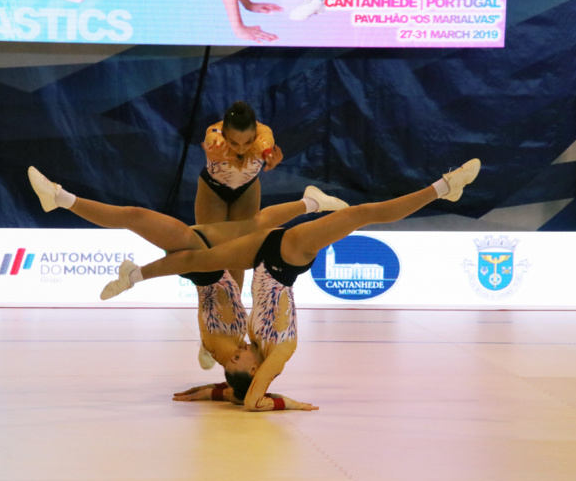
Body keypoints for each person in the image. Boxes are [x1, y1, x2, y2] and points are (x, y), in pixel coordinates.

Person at [100, 159, 482, 412]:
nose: (236, 352)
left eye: (230, 357)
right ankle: (443, 187)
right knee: (361, 215)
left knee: (199, 257)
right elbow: (252, 402)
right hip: (286, 260)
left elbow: (237, 394)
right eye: (237, 360)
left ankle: (134, 277)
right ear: (255, 370)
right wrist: (290, 404)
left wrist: (208, 393)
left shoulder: (253, 347)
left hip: (261, 257)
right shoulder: (279, 355)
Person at [26, 165, 347, 374]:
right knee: (255, 224)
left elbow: (243, 377)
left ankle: (63, 200)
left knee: (136, 217)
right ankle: (313, 203)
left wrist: (213, 357)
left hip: (203, 262)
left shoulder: (226, 345)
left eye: (243, 362)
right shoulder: (243, 341)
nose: (248, 354)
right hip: (219, 261)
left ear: (240, 365)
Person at [198, 100, 282, 291]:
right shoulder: (215, 132)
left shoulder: (263, 133)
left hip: (246, 190)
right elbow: (212, 139)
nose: (241, 149)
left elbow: (266, 146)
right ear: (225, 133)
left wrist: (270, 157)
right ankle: (210, 301)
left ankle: (235, 303)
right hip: (213, 189)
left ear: (255, 134)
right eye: (234, 143)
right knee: (208, 249)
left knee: (239, 250)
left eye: (248, 142)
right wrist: (214, 151)